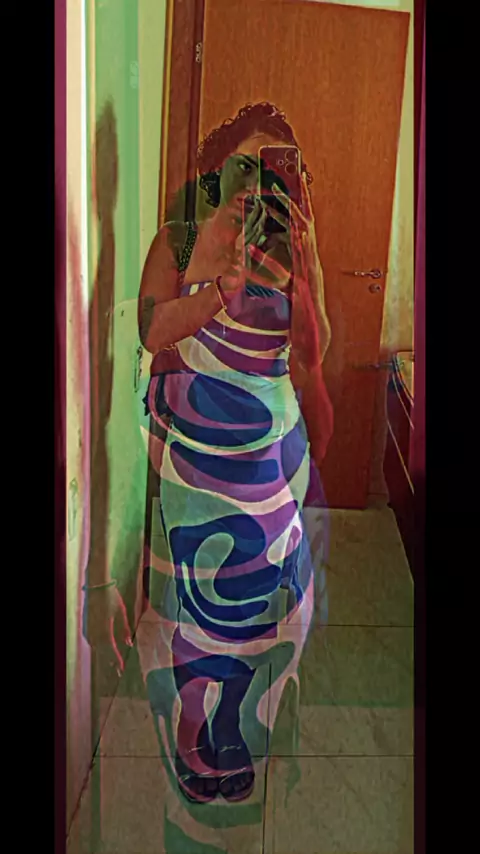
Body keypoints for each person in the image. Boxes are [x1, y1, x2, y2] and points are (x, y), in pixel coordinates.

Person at [138, 102, 333, 805]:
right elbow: (153, 330)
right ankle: (195, 730)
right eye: (244, 168)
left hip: (269, 469)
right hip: (198, 468)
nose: (257, 184)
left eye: (275, 170)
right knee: (200, 613)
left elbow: (312, 353)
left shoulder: (291, 249)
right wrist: (218, 291)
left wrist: (306, 270)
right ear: (216, 173)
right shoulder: (181, 238)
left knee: (254, 616)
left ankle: (228, 722)